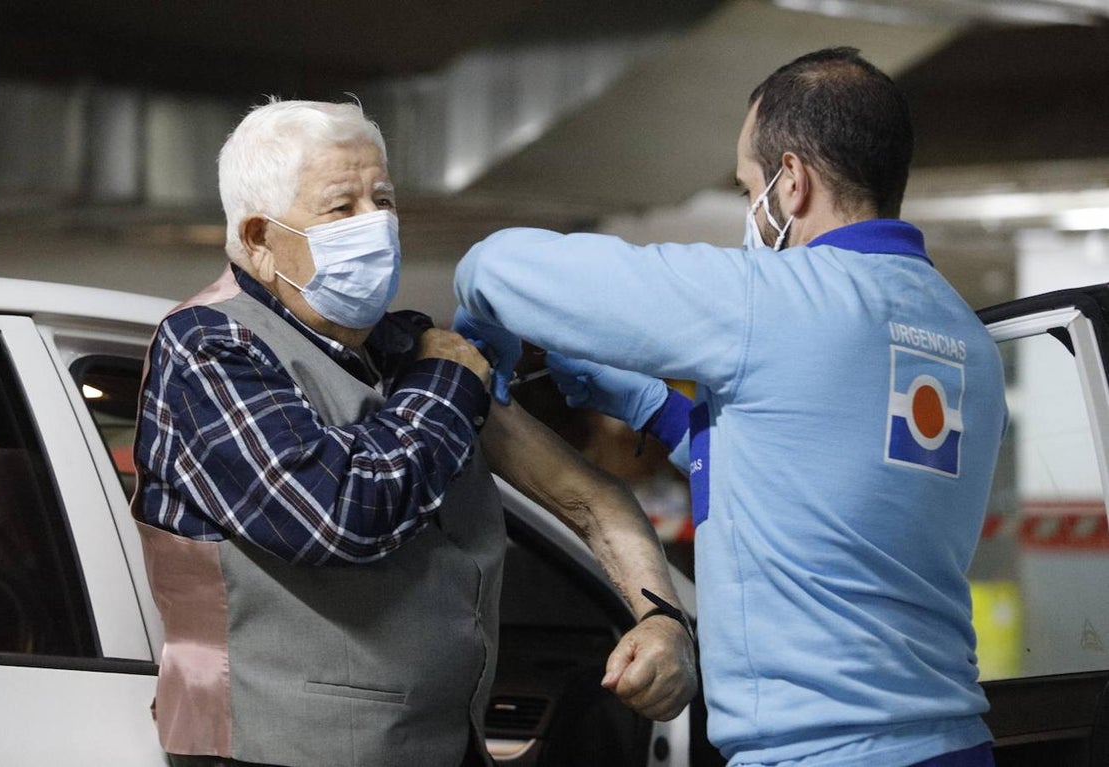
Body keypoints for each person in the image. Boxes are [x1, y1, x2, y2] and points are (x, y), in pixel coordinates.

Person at [453, 48, 1008, 767]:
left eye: (751, 187)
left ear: (793, 181)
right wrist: (645, 400)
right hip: (952, 744)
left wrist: (485, 336)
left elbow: (496, 267)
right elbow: (800, 466)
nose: (753, 210)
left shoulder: (776, 301)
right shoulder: (966, 337)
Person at [131, 99, 696, 767]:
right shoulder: (211, 345)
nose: (377, 226)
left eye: (384, 200)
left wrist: (663, 619)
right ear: (259, 238)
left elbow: (589, 499)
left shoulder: (408, 347)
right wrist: (449, 380)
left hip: (441, 745)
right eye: (342, 209)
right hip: (276, 752)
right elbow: (338, 516)